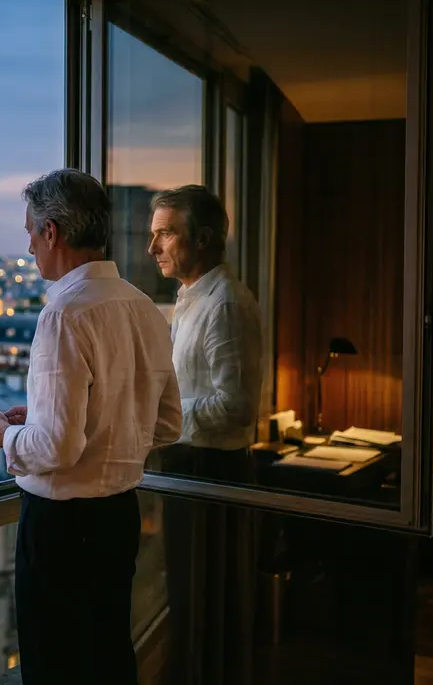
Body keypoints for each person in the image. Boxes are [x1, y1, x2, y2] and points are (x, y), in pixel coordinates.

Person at [0, 169, 182, 685]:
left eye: (29, 233)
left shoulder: (63, 315)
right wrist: (104, 431)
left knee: (55, 666)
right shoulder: (144, 307)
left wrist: (5, 434)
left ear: (52, 232)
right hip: (119, 518)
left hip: (61, 529)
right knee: (107, 657)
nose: (27, 249)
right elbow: (169, 422)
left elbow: (58, 448)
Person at [148, 184, 263, 685]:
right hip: (189, 467)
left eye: (166, 234)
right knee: (192, 600)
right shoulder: (191, 298)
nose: (152, 248)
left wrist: (165, 418)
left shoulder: (224, 305)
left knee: (207, 603)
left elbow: (237, 406)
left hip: (209, 471)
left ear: (206, 239)